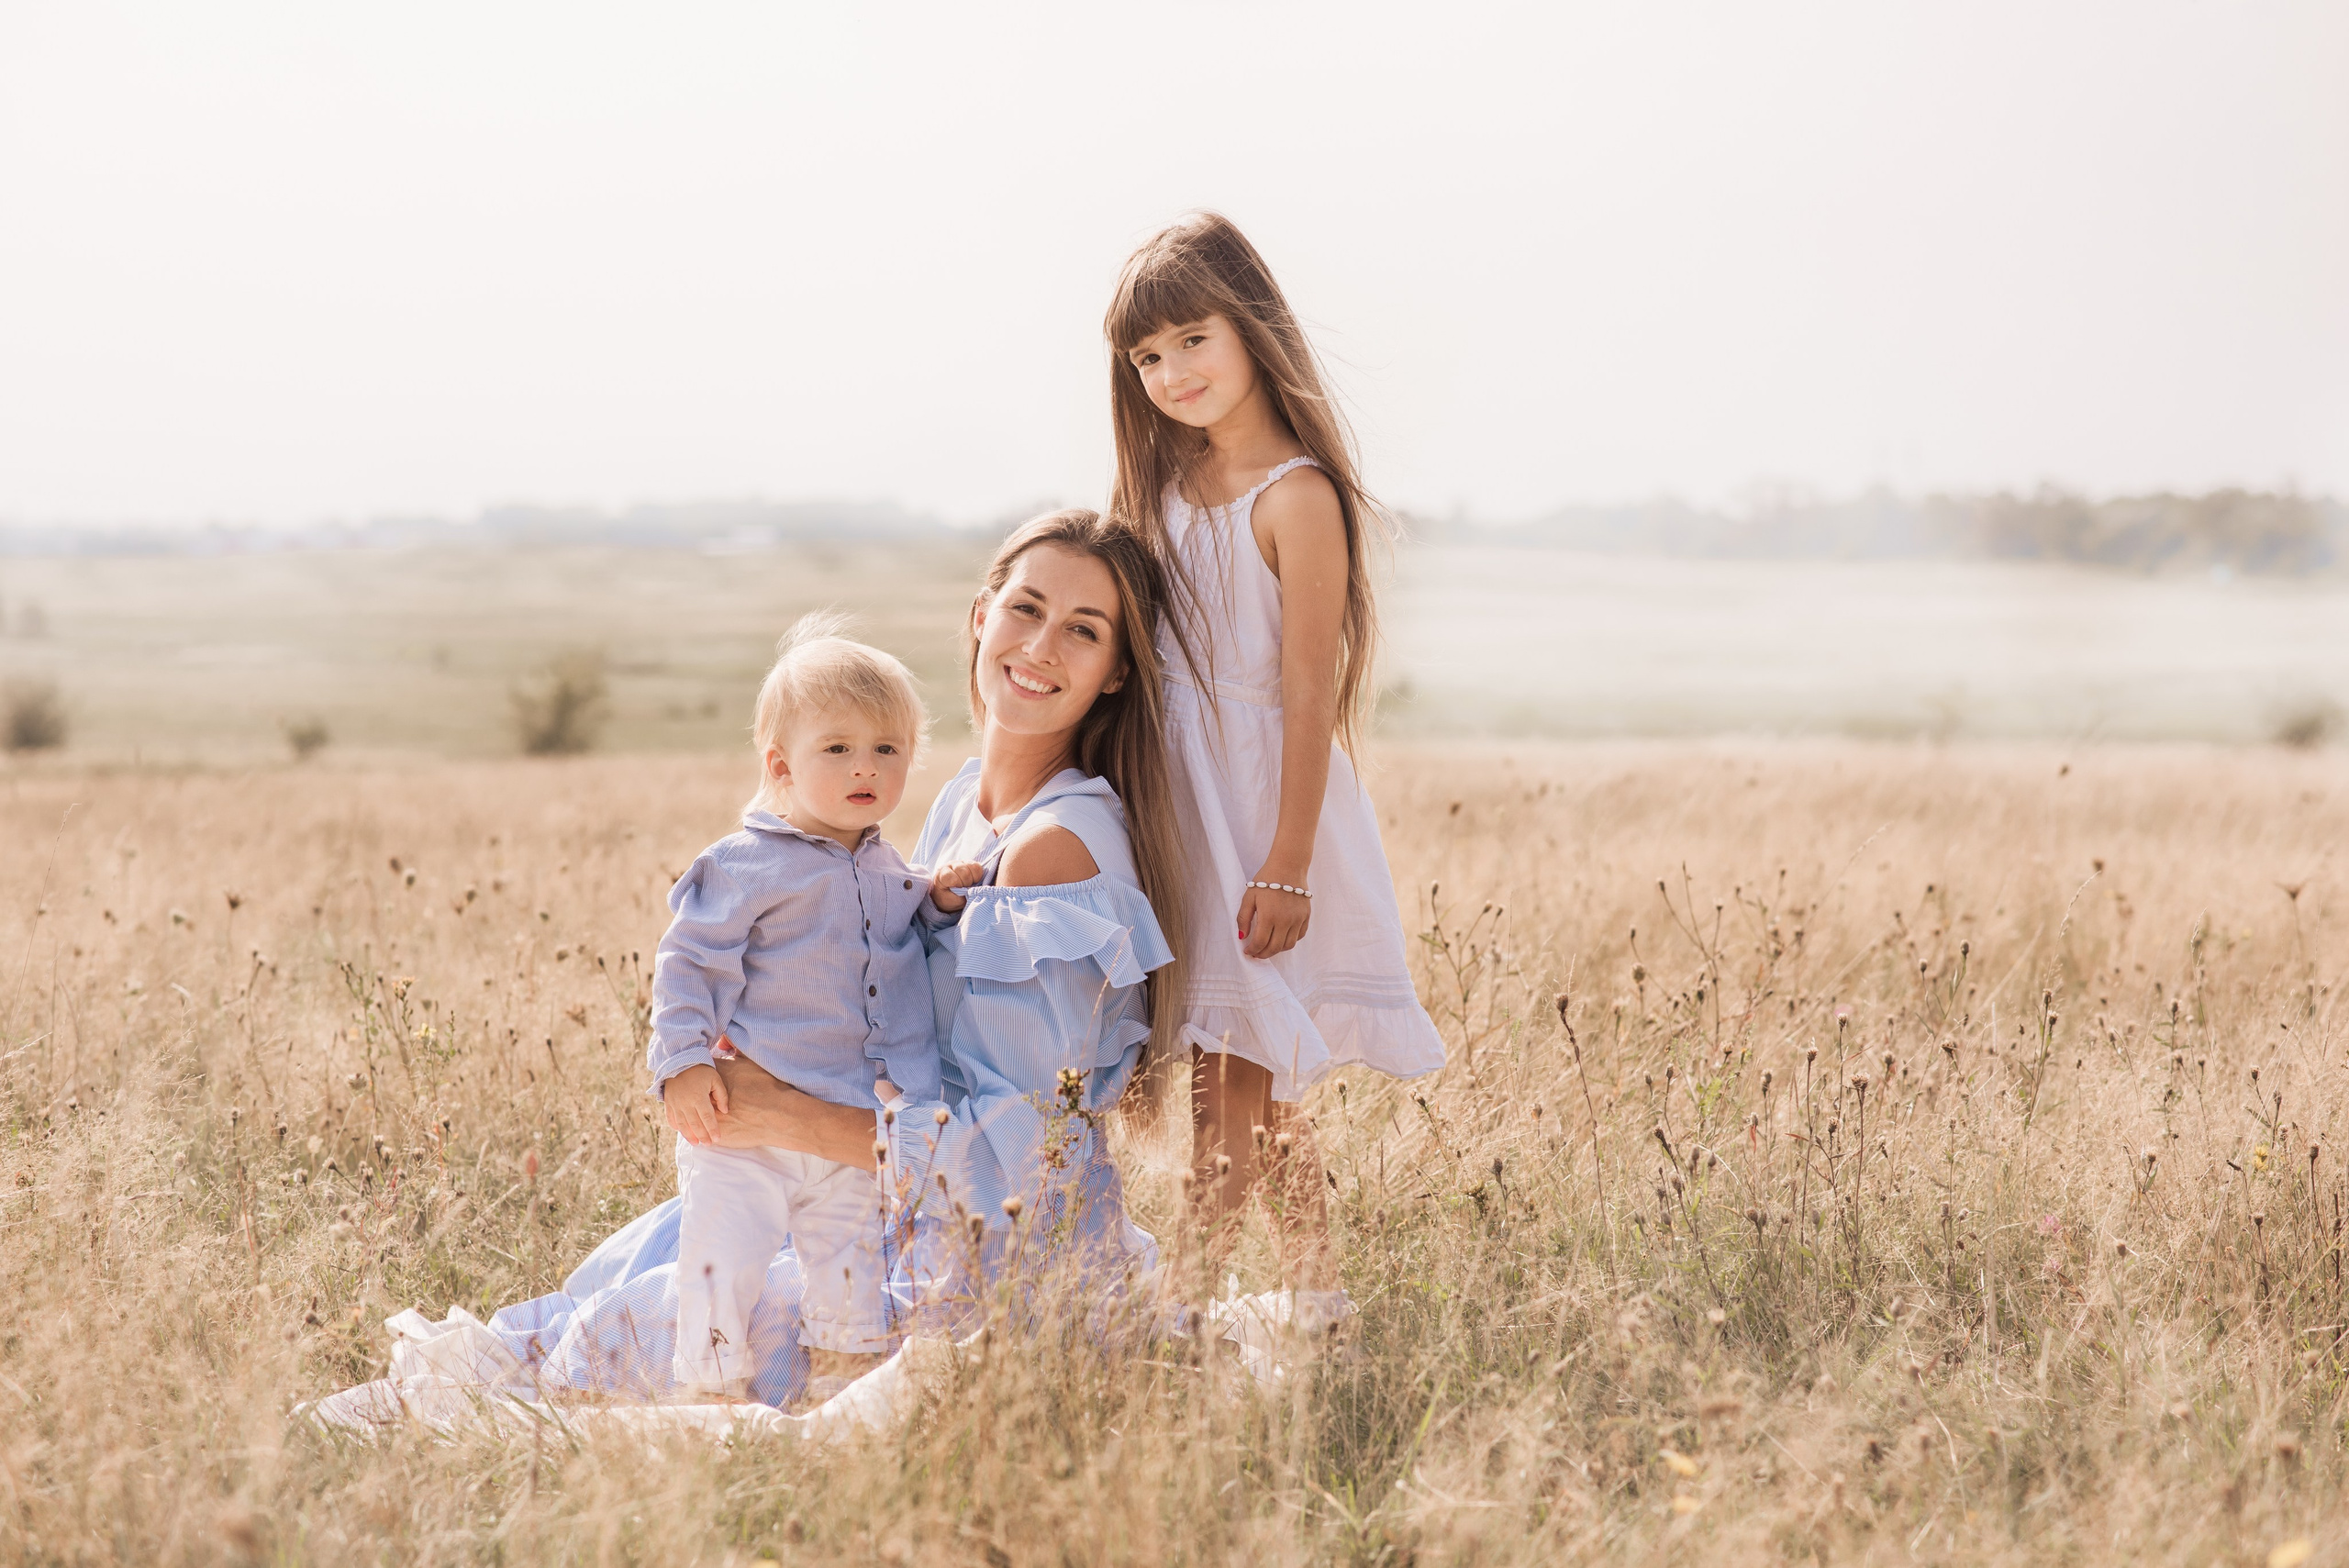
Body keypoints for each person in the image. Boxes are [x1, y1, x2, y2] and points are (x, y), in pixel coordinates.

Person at [308, 509, 1186, 1423]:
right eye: (1026, 608)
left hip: (984, 1265)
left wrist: (784, 1112)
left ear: (1115, 669)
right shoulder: (966, 802)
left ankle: (451, 1410)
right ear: (979, 615)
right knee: (658, 1252)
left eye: (1082, 630)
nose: (1039, 645)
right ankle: (445, 1391)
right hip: (880, 1190)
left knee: (657, 1328)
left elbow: (1011, 1163)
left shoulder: (1054, 851)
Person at [1105, 212, 1446, 1274]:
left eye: (1191, 339)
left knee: (1229, 1089)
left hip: (1262, 816)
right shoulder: (1157, 492)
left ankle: (1184, 1307)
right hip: (1182, 814)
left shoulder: (1294, 496)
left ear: (1251, 327)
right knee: (1262, 1090)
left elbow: (1308, 691)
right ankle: (1317, 1299)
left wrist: (1288, 861)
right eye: (1148, 357)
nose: (1170, 372)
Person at [648, 613, 969, 1402]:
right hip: (744, 1128)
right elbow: (689, 960)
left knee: (851, 1267)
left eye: (886, 749)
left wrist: (937, 900)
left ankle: (846, 1386)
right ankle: (712, 1394)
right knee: (721, 1261)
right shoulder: (745, 863)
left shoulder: (886, 864)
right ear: (780, 763)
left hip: (852, 1124)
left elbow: (895, 929)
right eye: (838, 748)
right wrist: (683, 1060)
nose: (867, 766)